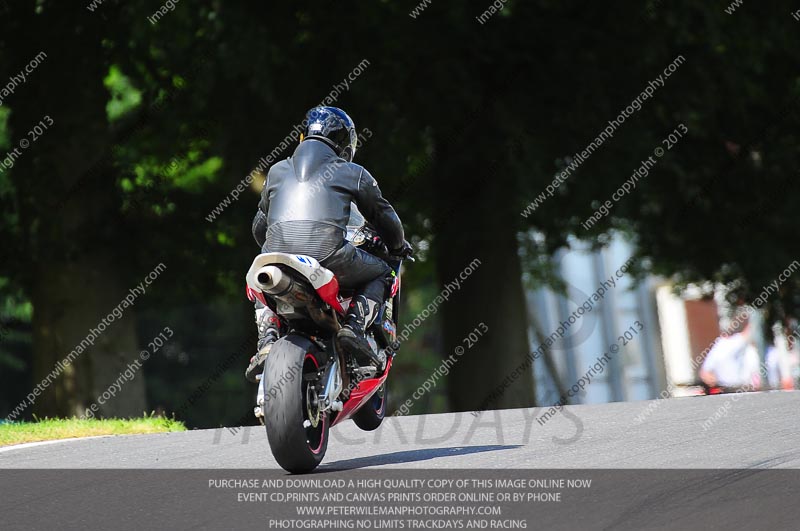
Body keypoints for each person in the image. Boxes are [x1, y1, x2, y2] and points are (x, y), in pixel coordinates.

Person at [245, 106, 409, 382]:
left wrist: (273, 249)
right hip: (330, 255)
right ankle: (354, 329)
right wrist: (398, 245)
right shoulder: (352, 172)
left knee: (258, 279)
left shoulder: (276, 171)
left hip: (275, 258)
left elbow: (259, 227)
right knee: (382, 272)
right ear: (345, 145)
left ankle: (267, 339)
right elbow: (383, 215)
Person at [699, 320, 761, 391]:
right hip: (737, 388)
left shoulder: (718, 345)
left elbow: (704, 373)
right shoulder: (732, 342)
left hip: (727, 389)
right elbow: (747, 333)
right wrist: (755, 318)